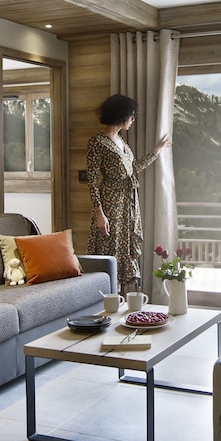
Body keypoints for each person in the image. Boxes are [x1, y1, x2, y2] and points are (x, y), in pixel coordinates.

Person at [87, 94, 172, 294]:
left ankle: (120, 299)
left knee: (124, 247)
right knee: (111, 246)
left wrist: (156, 151)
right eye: (131, 116)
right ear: (121, 115)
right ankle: (108, 296)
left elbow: (132, 169)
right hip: (110, 201)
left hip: (128, 202)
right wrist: (100, 213)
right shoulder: (97, 142)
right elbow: (92, 180)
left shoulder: (121, 142)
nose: (133, 120)